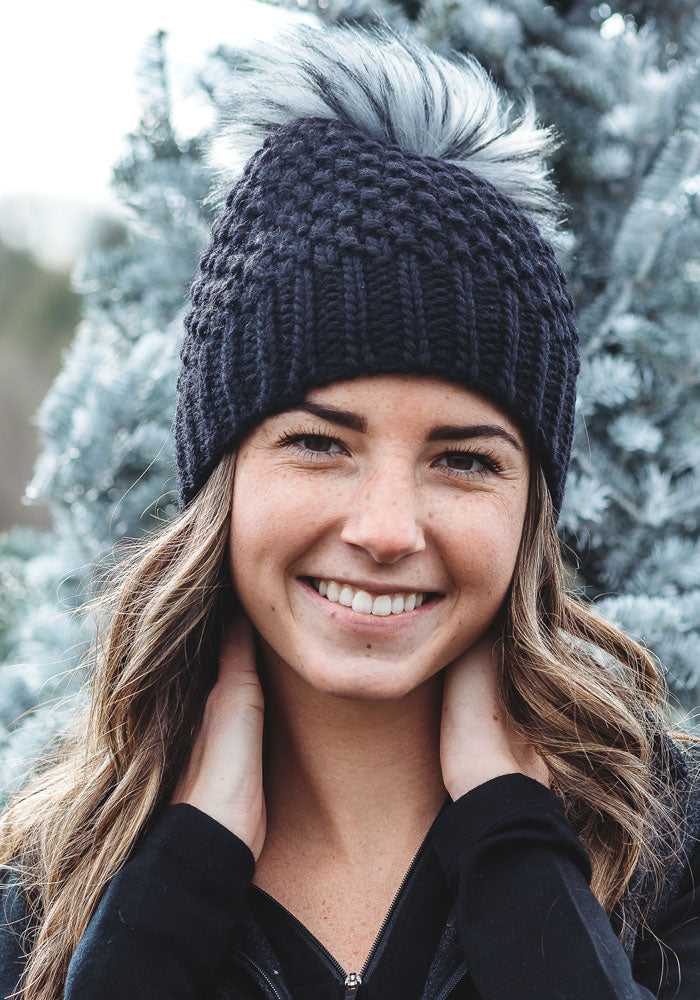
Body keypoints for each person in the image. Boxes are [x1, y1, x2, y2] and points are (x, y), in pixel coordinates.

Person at [1, 18, 699, 1000]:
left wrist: (514, 847)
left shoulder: (669, 851)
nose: (384, 527)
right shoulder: (50, 891)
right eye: (320, 443)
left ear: (530, 510)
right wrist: (173, 885)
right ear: (223, 477)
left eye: (462, 459)